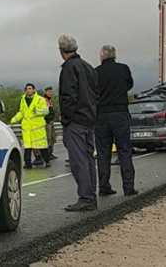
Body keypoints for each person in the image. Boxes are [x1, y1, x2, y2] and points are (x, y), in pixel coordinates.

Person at [58, 35, 99, 211]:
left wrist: (66, 118)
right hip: (89, 118)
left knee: (78, 160)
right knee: (89, 158)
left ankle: (85, 197)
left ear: (61, 50)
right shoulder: (88, 67)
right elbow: (96, 93)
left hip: (75, 120)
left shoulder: (69, 68)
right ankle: (91, 195)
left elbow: (69, 96)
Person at [95, 45, 138, 197]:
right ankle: (128, 186)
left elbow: (93, 91)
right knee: (124, 150)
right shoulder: (123, 69)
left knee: (103, 152)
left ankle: (103, 186)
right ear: (114, 56)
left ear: (102, 56)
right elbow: (129, 85)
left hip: (102, 115)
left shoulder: (96, 72)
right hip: (120, 113)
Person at [10, 83, 51, 169]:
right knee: (27, 146)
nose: (28, 90)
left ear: (33, 90)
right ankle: (27, 163)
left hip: (37, 127)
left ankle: (47, 160)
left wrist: (37, 111)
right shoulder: (23, 100)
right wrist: (14, 120)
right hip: (27, 127)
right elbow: (21, 112)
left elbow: (46, 111)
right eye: (27, 89)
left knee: (41, 146)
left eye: (30, 88)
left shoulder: (40, 99)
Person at [33, 86, 58, 164]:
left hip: (51, 121)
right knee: (48, 138)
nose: (50, 93)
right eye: (48, 91)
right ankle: (45, 155)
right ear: (45, 92)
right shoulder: (43, 100)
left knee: (53, 137)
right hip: (46, 122)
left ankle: (50, 153)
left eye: (51, 91)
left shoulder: (49, 101)